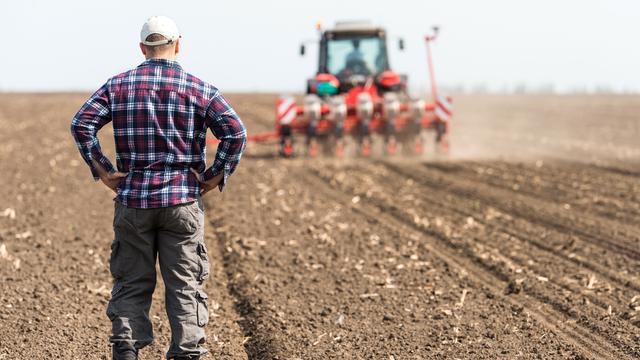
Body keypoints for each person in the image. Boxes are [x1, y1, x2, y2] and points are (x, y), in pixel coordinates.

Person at [70, 15, 246, 360]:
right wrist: (214, 175)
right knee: (184, 285)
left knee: (131, 282)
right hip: (182, 201)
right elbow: (235, 132)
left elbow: (81, 124)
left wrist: (104, 170)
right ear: (178, 45)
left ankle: (126, 350)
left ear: (142, 48)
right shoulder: (200, 88)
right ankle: (186, 352)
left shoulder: (117, 85)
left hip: (133, 201)